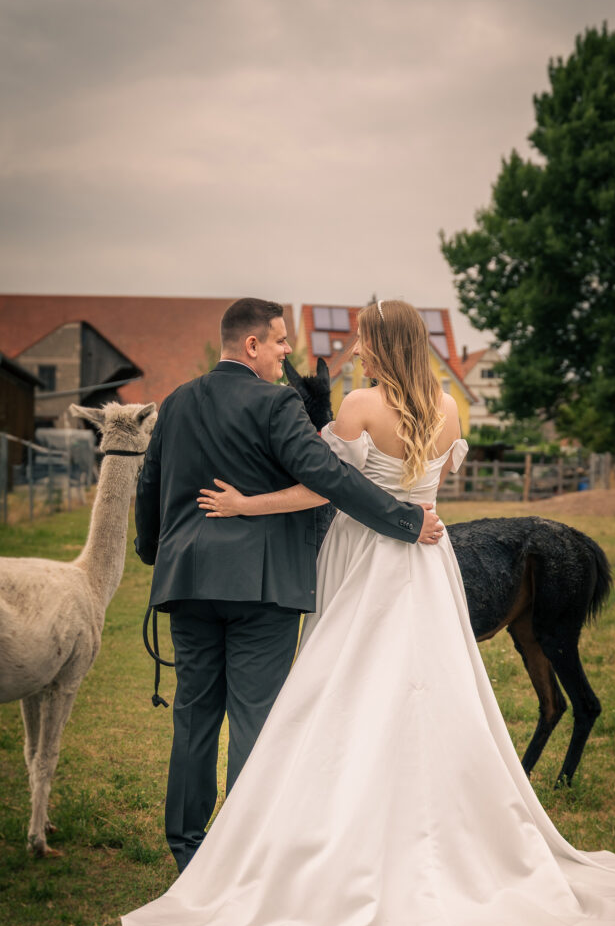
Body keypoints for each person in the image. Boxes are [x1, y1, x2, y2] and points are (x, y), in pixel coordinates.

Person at [123, 300, 615, 926]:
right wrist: (412, 513)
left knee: (297, 702)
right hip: (426, 564)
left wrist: (219, 520)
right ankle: (379, 834)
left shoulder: (336, 407)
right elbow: (415, 482)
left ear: (381, 344)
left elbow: (324, 485)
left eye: (362, 341)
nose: (353, 351)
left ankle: (229, 849)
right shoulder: (448, 410)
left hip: (351, 561)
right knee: (424, 690)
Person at [134, 298, 444, 873]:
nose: (287, 352)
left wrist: (158, 554)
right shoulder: (276, 403)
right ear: (252, 344)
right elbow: (329, 477)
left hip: (187, 583)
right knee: (256, 718)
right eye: (279, 341)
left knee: (194, 715)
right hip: (263, 587)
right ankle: (243, 851)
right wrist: (405, 520)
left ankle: (187, 848)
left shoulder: (176, 401)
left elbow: (148, 485)